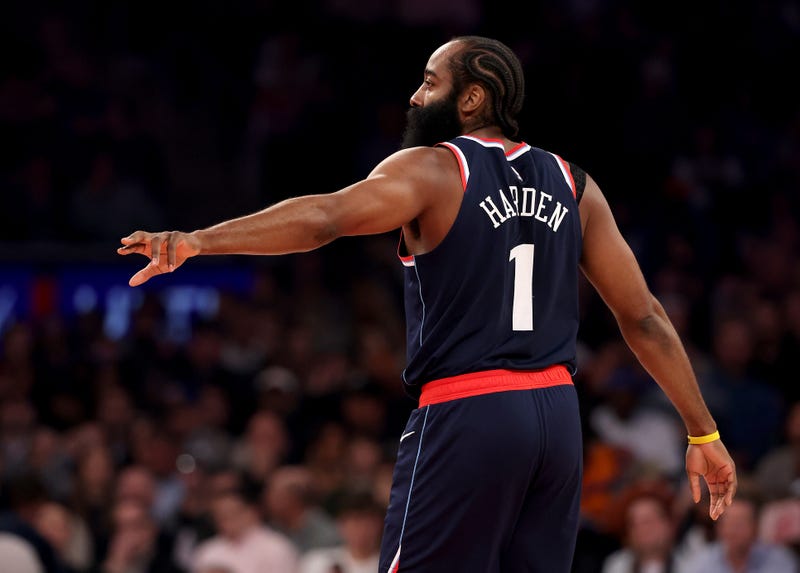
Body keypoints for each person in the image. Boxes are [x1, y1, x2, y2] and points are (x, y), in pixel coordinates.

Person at [118, 35, 737, 572]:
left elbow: (326, 218)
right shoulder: (573, 182)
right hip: (556, 416)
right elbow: (644, 315)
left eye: (429, 82)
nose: (415, 97)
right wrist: (701, 429)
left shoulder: (436, 169)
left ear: (470, 98)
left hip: (471, 410)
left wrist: (197, 240)